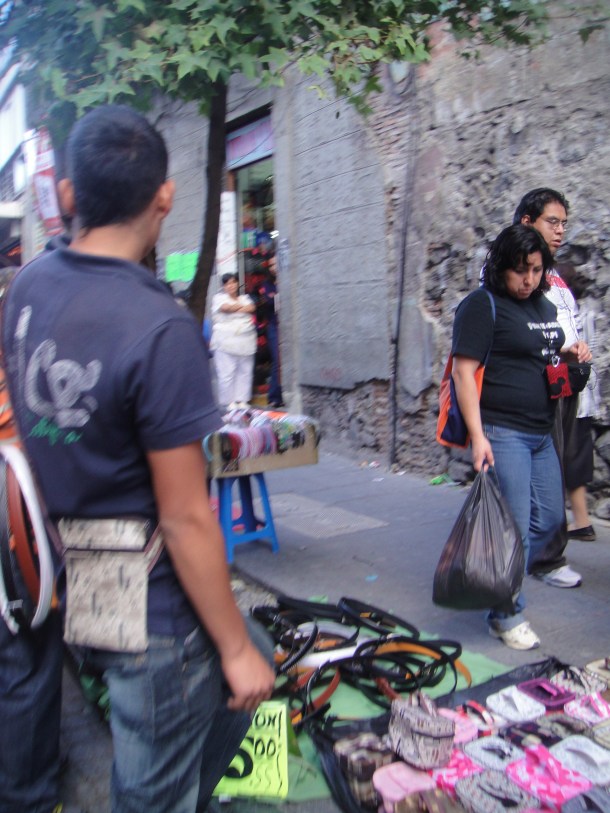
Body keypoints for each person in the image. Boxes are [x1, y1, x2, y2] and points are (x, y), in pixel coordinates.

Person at [2, 105, 275, 812]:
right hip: (156, 607)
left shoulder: (26, 290)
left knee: (225, 695)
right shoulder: (161, 327)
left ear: (66, 195)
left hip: (77, 576)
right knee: (161, 770)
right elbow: (186, 518)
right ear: (165, 197)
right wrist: (232, 647)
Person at [452, 224, 591, 650]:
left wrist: (567, 354)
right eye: (518, 270)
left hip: (540, 430)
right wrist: (478, 437)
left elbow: (541, 351)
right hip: (503, 429)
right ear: (501, 268)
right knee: (513, 529)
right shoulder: (483, 305)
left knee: (549, 520)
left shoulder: (542, 306)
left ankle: (494, 577)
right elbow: (463, 371)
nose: (527, 279)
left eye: (535, 269)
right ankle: (505, 613)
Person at [513, 187, 590, 587]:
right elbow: (518, 329)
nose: (560, 230)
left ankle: (540, 552)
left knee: (554, 469)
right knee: (541, 472)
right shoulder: (514, 271)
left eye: (564, 223)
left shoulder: (554, 273)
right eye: (552, 222)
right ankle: (543, 556)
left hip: (564, 382)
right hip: (534, 385)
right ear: (528, 221)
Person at [556, 261, 600, 541]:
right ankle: (580, 520)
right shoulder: (591, 314)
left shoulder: (567, 318)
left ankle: (576, 521)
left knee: (563, 456)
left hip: (570, 392)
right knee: (577, 456)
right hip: (588, 394)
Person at [210, 272, 257, 410]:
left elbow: (252, 308)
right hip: (225, 341)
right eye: (227, 283)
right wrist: (239, 308)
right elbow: (226, 308)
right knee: (227, 372)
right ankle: (228, 401)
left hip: (246, 340)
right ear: (224, 286)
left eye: (233, 282)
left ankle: (242, 399)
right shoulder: (219, 298)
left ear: (237, 283)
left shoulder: (245, 298)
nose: (231, 286)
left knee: (245, 371)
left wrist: (235, 308)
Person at [257, 253, 284, 408]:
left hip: (285, 324)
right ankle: (274, 396)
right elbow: (269, 302)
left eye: (276, 264)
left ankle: (280, 394)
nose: (274, 268)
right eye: (272, 265)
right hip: (274, 325)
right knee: (277, 360)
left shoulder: (285, 281)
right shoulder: (267, 285)